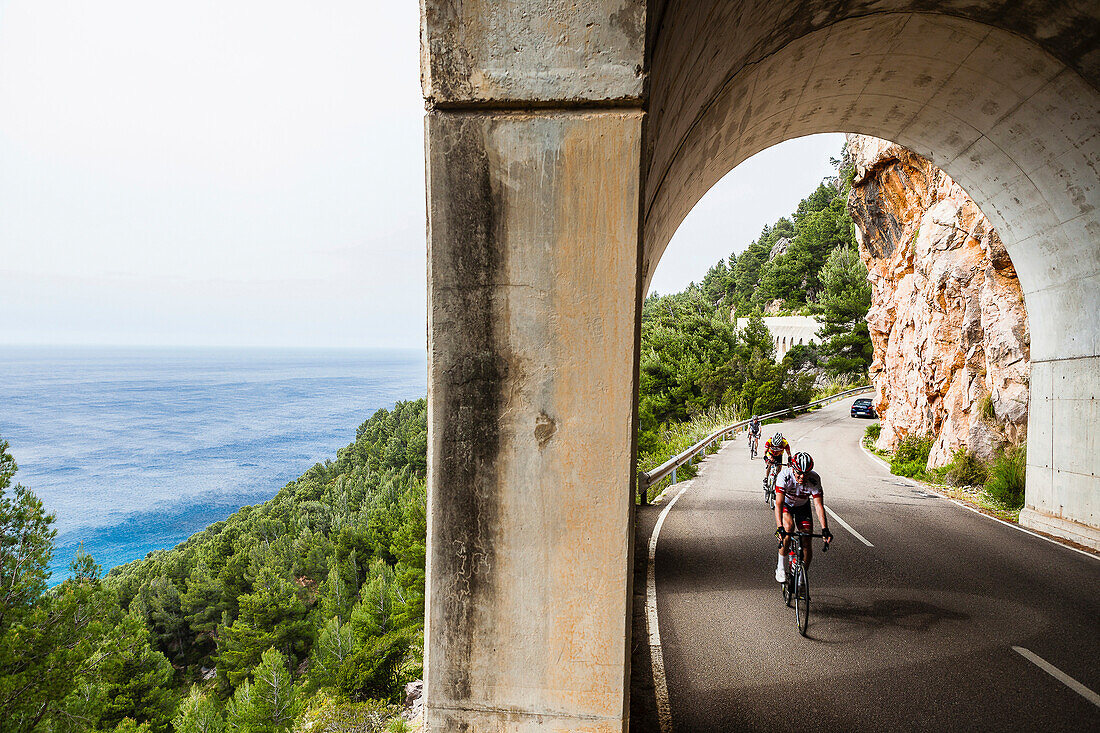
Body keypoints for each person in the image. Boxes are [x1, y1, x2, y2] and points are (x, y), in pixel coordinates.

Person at [773, 451, 832, 582]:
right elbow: (779, 503)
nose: (802, 477)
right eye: (799, 473)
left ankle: (801, 577)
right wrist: (779, 527)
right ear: (792, 469)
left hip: (803, 507)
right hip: (786, 505)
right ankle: (780, 567)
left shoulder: (814, 479)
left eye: (805, 474)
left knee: (807, 539)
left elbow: (818, 506)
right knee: (788, 529)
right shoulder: (784, 476)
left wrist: (825, 529)